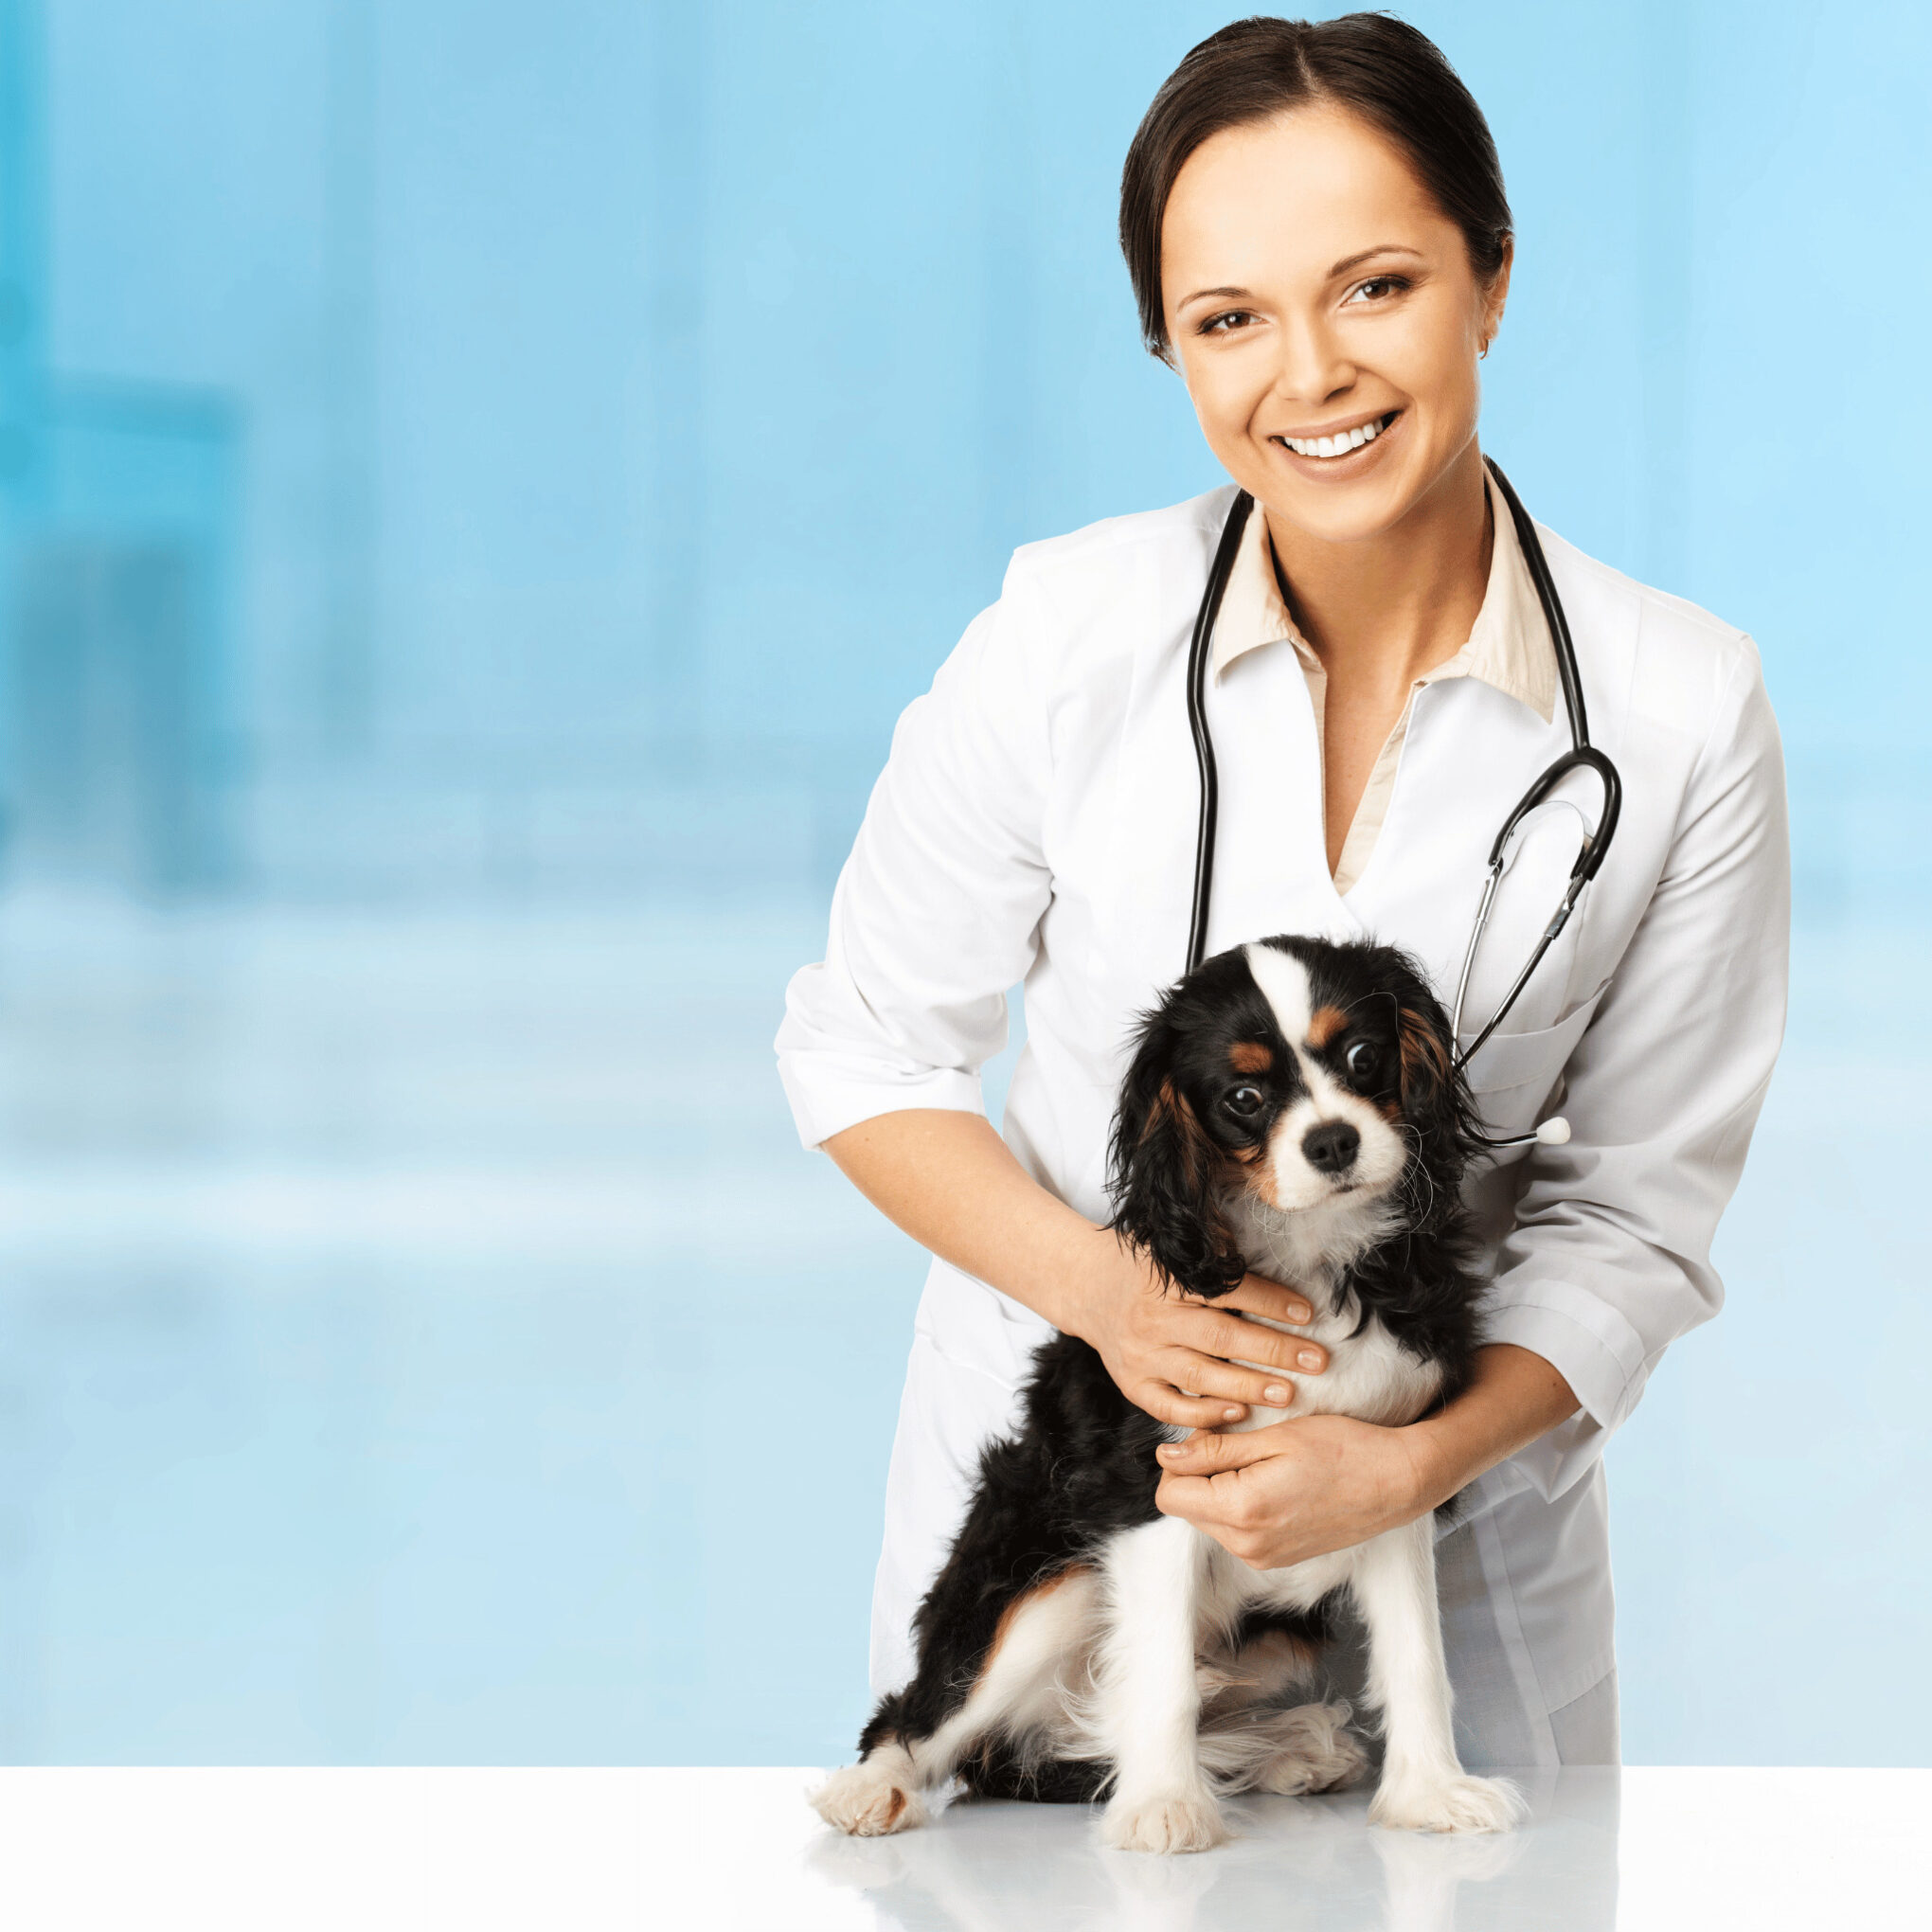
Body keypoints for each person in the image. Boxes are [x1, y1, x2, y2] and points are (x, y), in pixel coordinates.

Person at [775, 13, 1787, 1770]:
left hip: (1445, 1584)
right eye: (1228, 318)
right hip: (1083, 1557)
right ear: (1169, 345)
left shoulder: (1681, 708)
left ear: (1492, 275)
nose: (1306, 374)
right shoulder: (1063, 638)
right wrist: (1124, 1308)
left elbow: (1631, 1218)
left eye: (1376, 285)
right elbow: (866, 1056)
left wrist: (1402, 1462)